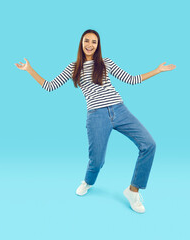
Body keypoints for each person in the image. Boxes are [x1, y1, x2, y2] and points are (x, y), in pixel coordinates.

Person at [15, 29, 176, 214]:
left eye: (94, 42)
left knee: (149, 144)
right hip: (96, 115)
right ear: (81, 43)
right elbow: (49, 86)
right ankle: (88, 182)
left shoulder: (106, 63)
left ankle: (133, 191)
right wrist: (29, 69)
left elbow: (132, 80)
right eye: (86, 41)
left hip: (119, 109)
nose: (90, 45)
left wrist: (157, 70)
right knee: (97, 161)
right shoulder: (73, 67)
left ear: (98, 45)